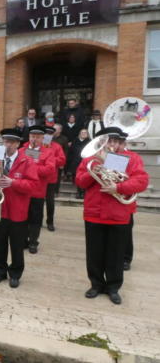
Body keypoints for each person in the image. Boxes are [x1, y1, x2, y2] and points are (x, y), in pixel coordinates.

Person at [76, 127, 148, 305]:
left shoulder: (132, 159)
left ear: (120, 143)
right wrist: (98, 170)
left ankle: (113, 287)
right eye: (109, 141)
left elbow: (142, 180)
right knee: (94, 253)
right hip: (94, 213)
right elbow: (80, 181)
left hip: (118, 214)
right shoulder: (91, 159)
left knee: (115, 254)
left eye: (116, 141)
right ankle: (96, 284)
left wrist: (119, 188)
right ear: (103, 142)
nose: (113, 145)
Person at [0, 129, 38, 288]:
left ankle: (15, 273)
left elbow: (34, 185)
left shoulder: (27, 160)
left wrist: (13, 183)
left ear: (17, 144)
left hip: (18, 210)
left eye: (11, 142)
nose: (7, 145)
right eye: (5, 142)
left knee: (16, 244)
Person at [20, 126, 55, 253]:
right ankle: (23, 240)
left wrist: (32, 167)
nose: (35, 139)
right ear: (29, 137)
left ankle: (33, 242)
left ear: (42, 138)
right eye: (32, 136)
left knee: (35, 218)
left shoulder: (48, 152)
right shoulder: (22, 150)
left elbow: (49, 170)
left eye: (38, 137)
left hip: (37, 191)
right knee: (22, 217)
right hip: (22, 190)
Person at [117, 130, 143, 271]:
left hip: (125, 201)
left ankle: (126, 258)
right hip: (111, 201)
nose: (117, 146)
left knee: (126, 232)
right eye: (114, 142)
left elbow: (138, 179)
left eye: (119, 143)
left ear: (124, 143)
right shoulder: (108, 156)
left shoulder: (133, 157)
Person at [44, 126, 66, 232]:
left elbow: (62, 160)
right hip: (37, 178)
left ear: (52, 136)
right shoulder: (37, 146)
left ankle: (50, 221)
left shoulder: (57, 146)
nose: (47, 136)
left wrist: (49, 159)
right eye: (46, 134)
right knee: (36, 202)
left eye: (50, 134)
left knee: (50, 201)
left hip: (51, 178)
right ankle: (36, 220)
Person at [66, 128, 90, 199]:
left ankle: (83, 192)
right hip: (75, 162)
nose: (83, 134)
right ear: (79, 134)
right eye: (82, 132)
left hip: (85, 162)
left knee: (84, 178)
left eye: (85, 133)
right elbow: (70, 152)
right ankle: (78, 192)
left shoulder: (89, 142)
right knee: (77, 178)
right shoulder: (75, 141)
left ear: (87, 134)